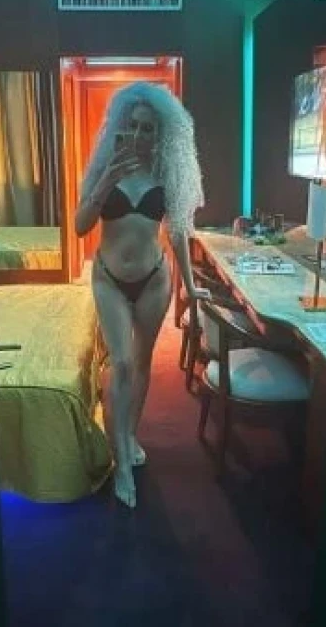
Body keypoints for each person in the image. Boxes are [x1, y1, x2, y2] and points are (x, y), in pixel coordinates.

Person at [75, 81, 206, 508]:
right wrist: (106, 180)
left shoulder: (168, 175)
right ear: (120, 125)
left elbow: (179, 233)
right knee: (122, 363)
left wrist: (190, 285)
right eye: (132, 125)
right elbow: (80, 225)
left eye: (147, 128)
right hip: (109, 278)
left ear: (160, 133)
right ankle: (122, 467)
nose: (138, 134)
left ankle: (129, 436)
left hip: (153, 279)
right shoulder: (105, 167)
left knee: (143, 361)